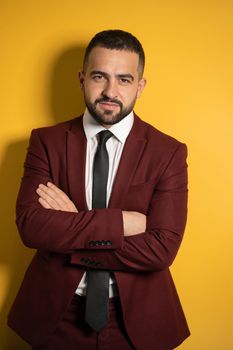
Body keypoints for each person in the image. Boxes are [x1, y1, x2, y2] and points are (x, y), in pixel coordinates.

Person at [8, 29, 190, 350]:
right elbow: (31, 228)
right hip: (56, 316)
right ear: (81, 79)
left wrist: (73, 225)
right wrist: (121, 224)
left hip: (137, 319)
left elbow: (162, 249)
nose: (110, 91)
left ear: (140, 85)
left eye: (123, 79)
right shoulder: (45, 142)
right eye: (98, 76)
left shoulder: (168, 152)